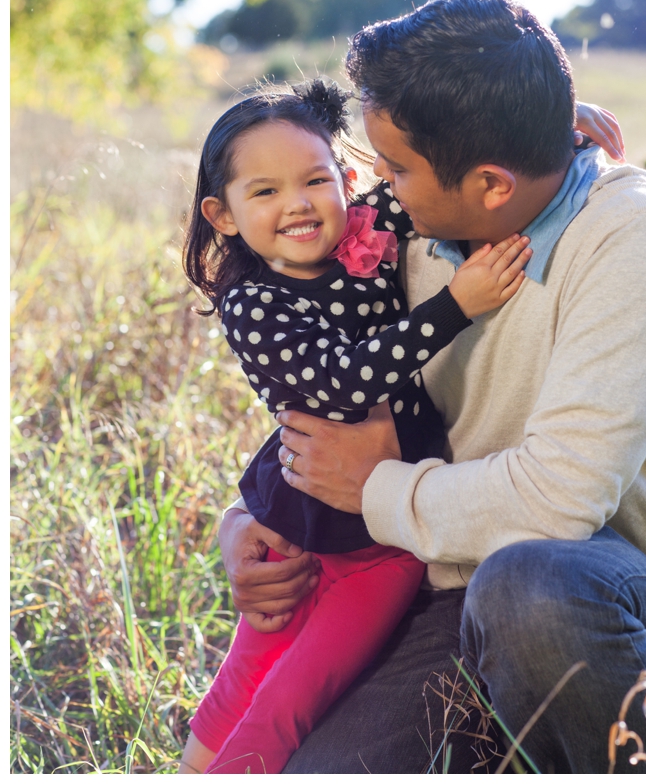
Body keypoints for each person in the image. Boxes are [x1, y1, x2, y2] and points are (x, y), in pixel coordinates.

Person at [218, 0, 646, 774]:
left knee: (533, 587)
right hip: (450, 583)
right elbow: (337, 387)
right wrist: (243, 517)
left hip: (622, 591)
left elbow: (561, 502)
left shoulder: (637, 235)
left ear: (492, 185)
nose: (374, 186)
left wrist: (374, 488)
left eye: (394, 168)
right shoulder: (409, 230)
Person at [177, 79, 535, 773]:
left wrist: (544, 125)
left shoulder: (368, 233)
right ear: (222, 215)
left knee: (296, 692)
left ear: (345, 178)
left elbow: (440, 176)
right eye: (265, 192)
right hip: (298, 519)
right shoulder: (253, 303)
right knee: (249, 674)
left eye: (315, 180)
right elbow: (343, 386)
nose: (298, 204)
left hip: (387, 538)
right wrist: (456, 306)